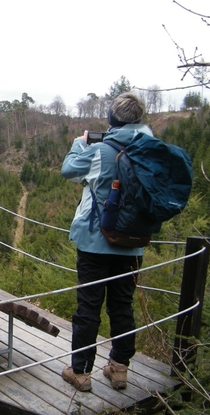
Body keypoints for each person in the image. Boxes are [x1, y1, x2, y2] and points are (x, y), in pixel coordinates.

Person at [60, 92, 151, 392]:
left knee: (88, 307)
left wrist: (80, 143)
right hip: (133, 242)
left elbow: (69, 170)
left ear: (112, 119)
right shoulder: (150, 149)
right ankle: (119, 368)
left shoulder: (100, 151)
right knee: (122, 306)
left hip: (95, 242)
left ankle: (81, 372)